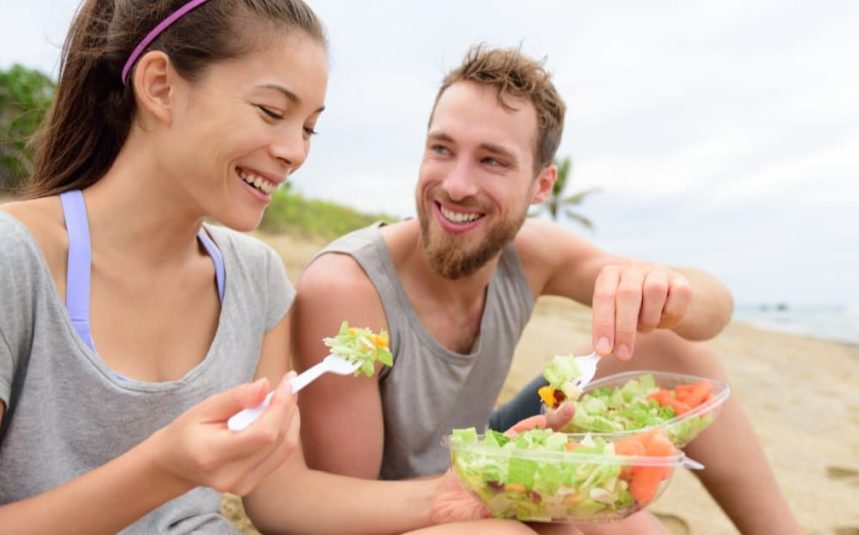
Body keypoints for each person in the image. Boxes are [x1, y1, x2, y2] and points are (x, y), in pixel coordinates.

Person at [0, 2, 569, 534]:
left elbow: (282, 500)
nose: (295, 151)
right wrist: (162, 468)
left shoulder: (254, 278)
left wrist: (468, 487)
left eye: (308, 127)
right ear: (159, 85)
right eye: (271, 111)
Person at [294, 45, 803, 534]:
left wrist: (666, 288)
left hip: (487, 441)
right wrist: (523, 486)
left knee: (670, 339)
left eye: (492, 160)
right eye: (442, 149)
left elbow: (715, 308)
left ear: (542, 186)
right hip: (402, 502)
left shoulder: (532, 254)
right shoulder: (349, 289)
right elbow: (344, 509)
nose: (456, 184)